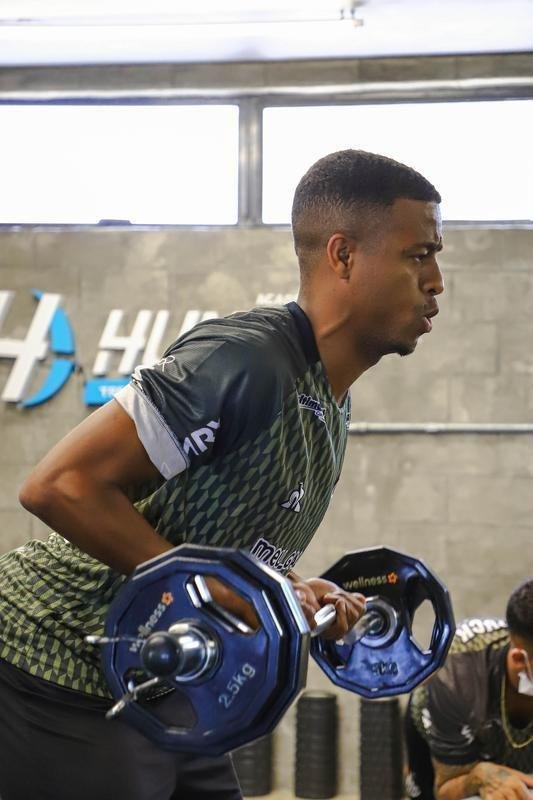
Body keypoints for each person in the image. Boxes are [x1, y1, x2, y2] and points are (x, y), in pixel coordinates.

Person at [0, 149, 444, 800]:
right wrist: (221, 590)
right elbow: (59, 486)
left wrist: (288, 589)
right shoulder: (245, 359)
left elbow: (212, 548)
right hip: (57, 662)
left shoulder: (329, 400)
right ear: (343, 255)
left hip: (161, 681)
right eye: (418, 255)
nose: (436, 281)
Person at [405, 578, 533, 800]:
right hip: (444, 730)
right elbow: (445, 789)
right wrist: (478, 776)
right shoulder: (457, 673)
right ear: (520, 660)